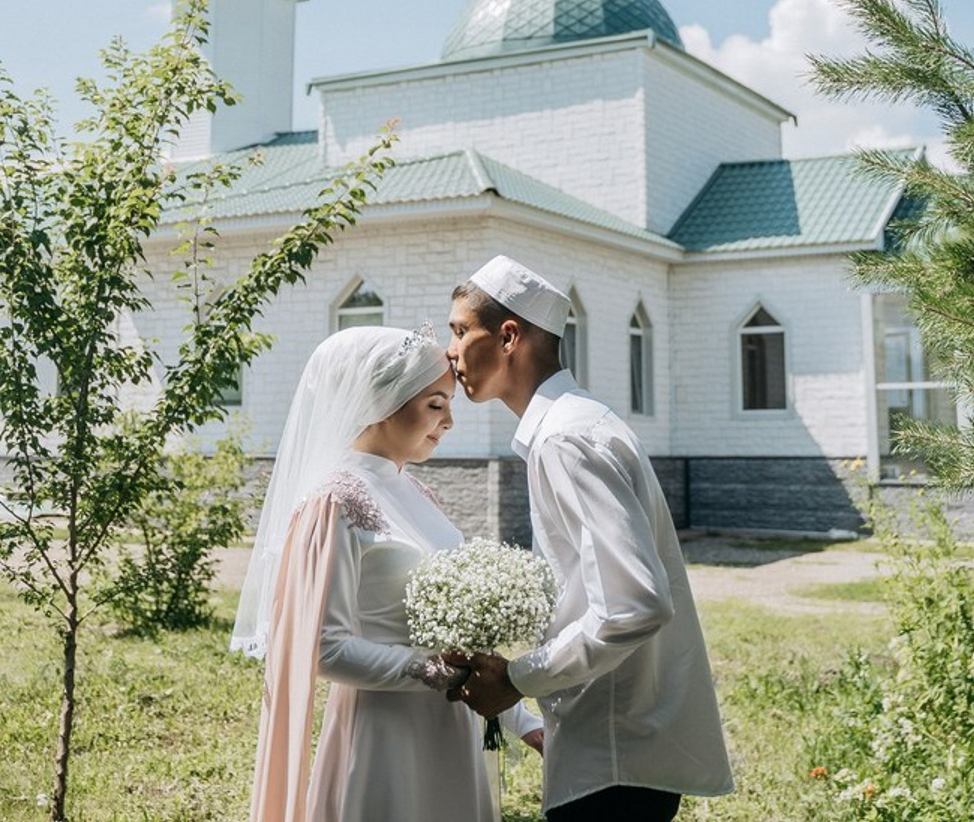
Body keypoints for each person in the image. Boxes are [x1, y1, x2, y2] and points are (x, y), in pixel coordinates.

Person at [446, 256, 733, 822]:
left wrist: (517, 678)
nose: (450, 352)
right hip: (621, 742)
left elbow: (634, 604)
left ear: (508, 336)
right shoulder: (580, 421)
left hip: (613, 749)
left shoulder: (565, 440)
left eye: (459, 331)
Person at [232, 323, 543, 822]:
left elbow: (458, 631)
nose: (448, 424)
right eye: (435, 405)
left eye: (449, 407)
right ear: (379, 402)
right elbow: (324, 648)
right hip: (384, 733)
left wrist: (521, 719)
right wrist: (433, 673)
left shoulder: (418, 493)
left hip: (453, 725)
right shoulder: (332, 502)